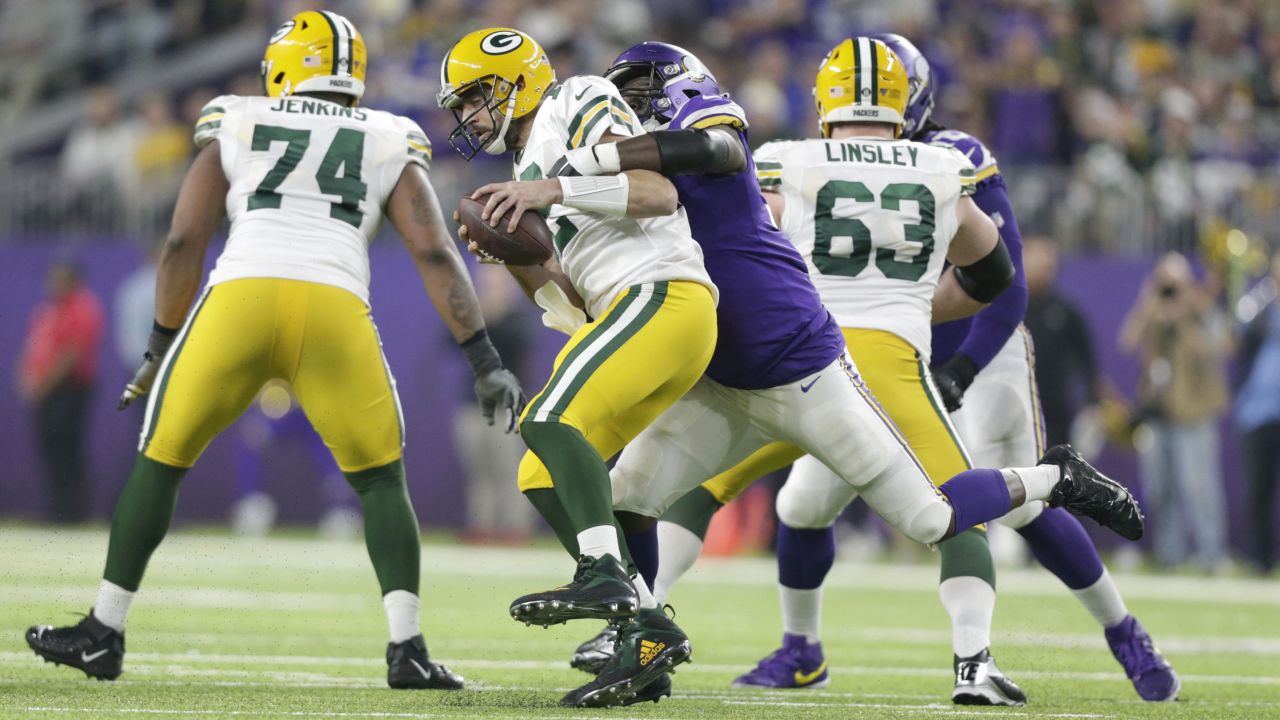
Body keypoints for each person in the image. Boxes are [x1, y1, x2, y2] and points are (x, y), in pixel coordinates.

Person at [541, 37, 1144, 706]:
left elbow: (706, 161)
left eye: (638, 100)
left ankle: (1054, 476)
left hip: (804, 371)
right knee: (630, 498)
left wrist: (579, 167)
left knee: (929, 515)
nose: (629, 114)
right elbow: (994, 269)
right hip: (730, 377)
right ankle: (644, 638)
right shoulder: (933, 166)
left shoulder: (745, 140)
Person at [25, 11, 524, 691]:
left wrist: (158, 348)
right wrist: (484, 358)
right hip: (334, 307)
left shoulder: (238, 116)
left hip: (242, 300)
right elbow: (433, 250)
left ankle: (104, 630)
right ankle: (406, 648)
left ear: (287, 66)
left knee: (161, 461)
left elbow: (182, 240)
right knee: (380, 481)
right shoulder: (385, 133)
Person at [437, 27, 721, 708]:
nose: (471, 118)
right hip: (629, 309)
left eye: (476, 98)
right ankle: (647, 629)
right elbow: (571, 297)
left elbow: (657, 192)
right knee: (540, 473)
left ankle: (604, 572)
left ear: (518, 81)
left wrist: (547, 193)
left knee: (549, 418)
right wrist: (521, 259)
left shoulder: (576, 98)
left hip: (665, 292)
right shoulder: (526, 165)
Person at [1121, 252, 1230, 573]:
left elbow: (1213, 350)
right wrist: (1148, 303)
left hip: (1193, 413)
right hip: (1158, 414)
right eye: (1163, 282)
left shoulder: (1200, 309)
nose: (1168, 289)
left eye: (1174, 283)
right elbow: (1128, 341)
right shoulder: (1153, 311)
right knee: (1160, 488)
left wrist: (1183, 313)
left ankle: (1212, 555)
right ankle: (1171, 553)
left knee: (1199, 487)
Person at [17, 257, 104, 524]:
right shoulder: (48, 311)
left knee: (67, 447)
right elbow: (34, 347)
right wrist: (26, 378)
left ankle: (72, 512)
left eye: (59, 277)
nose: (53, 283)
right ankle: (56, 509)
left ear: (72, 280)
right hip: (47, 390)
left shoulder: (83, 307)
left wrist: (44, 382)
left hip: (71, 388)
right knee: (50, 447)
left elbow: (73, 352)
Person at [1022, 236, 1103, 448]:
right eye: (1037, 261)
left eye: (1048, 263)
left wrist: (1093, 402)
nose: (1043, 268)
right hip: (1017, 406)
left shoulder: (1066, 311)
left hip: (1056, 409)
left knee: (1056, 472)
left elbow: (1086, 359)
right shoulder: (1009, 310)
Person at [1235, 255, 1280, 575]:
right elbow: (1235, 343)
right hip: (1258, 413)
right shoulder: (1260, 308)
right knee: (1259, 491)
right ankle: (1260, 561)